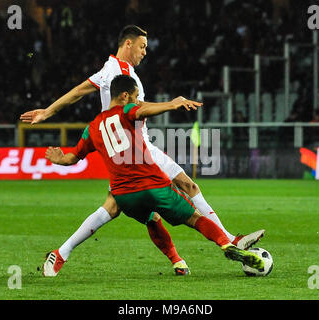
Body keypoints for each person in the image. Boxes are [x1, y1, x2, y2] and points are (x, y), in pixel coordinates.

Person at [21, 25, 264, 276]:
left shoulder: (111, 70)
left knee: (119, 207)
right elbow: (136, 107)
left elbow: (79, 91)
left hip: (124, 147)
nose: (144, 52)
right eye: (142, 46)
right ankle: (228, 240)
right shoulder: (119, 71)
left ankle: (62, 253)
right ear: (128, 44)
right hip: (138, 147)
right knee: (184, 189)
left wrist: (48, 111)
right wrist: (172, 103)